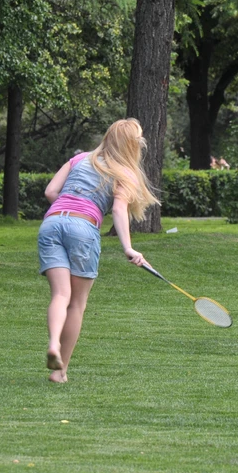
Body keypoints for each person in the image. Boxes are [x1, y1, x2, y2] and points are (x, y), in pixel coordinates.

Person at [38, 118, 159, 382]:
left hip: (51, 222)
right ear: (132, 145)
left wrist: (70, 207)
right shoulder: (124, 172)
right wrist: (128, 247)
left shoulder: (80, 159)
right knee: (77, 304)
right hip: (82, 228)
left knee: (60, 294)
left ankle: (53, 344)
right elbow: (118, 210)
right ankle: (60, 372)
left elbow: (50, 191)